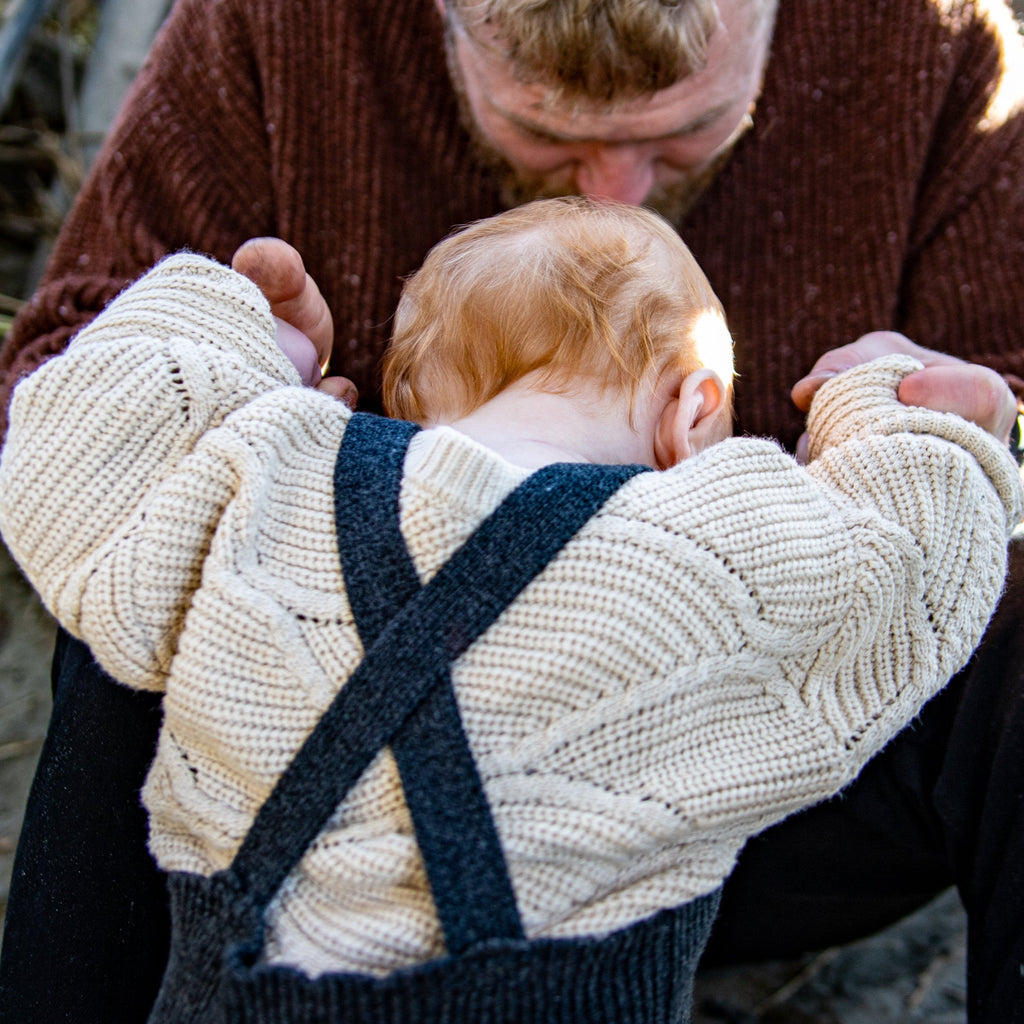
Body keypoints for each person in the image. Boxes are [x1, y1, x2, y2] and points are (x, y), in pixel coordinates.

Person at [0, 0, 1023, 1019]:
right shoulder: (276, 26)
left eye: (687, 131)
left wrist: (222, 355)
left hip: (693, 816)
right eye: (541, 131)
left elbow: (79, 435)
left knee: (176, 497)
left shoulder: (936, 47)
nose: (616, 191)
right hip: (480, 864)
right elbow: (906, 558)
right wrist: (902, 427)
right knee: (176, 538)